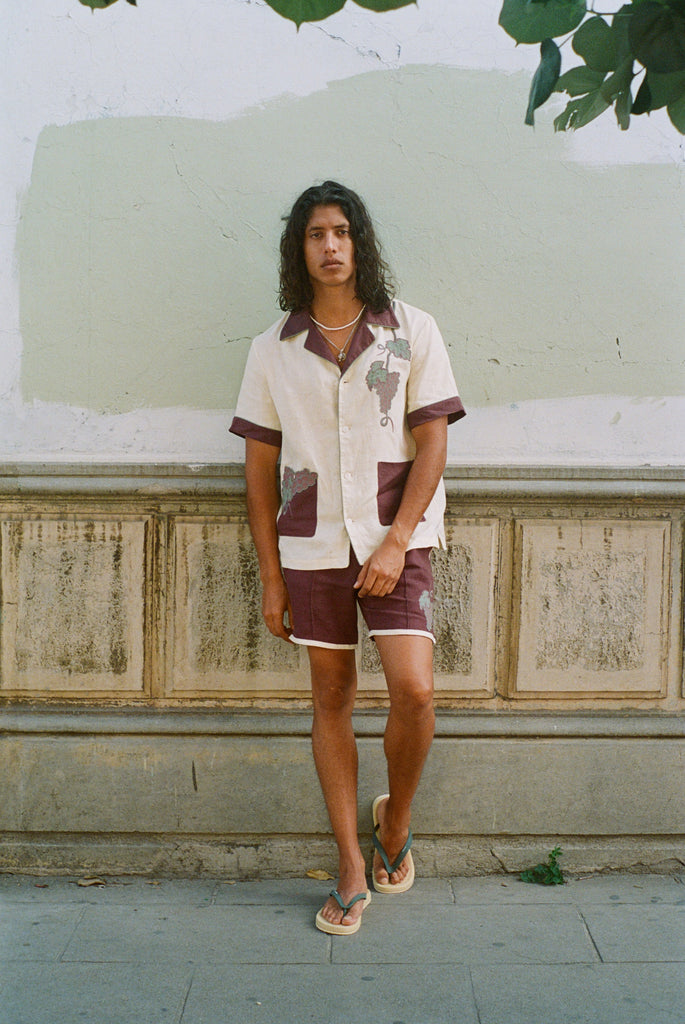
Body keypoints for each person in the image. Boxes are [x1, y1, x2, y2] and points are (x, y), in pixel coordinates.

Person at [230, 181, 465, 935]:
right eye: (313, 235)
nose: (329, 246)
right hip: (311, 546)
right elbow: (258, 469)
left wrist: (396, 540)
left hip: (396, 540)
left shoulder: (410, 331)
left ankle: (393, 822)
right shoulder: (272, 349)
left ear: (358, 242)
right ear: (297, 250)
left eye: (340, 231)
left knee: (414, 692)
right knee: (329, 698)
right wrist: (271, 577)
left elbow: (432, 438)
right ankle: (350, 864)